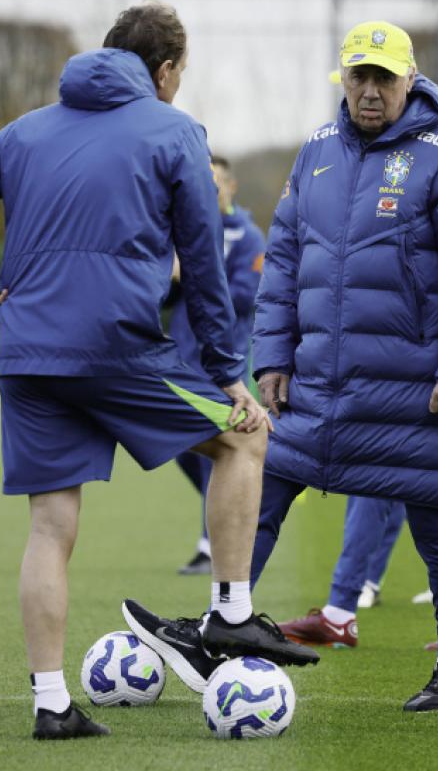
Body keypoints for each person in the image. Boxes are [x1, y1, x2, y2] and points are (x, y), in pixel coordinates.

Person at [0, 1, 316, 742]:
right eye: (180, 73)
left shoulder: (28, 131)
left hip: (28, 354)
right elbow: (203, 260)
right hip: (114, 349)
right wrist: (229, 373)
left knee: (50, 526)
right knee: (244, 438)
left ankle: (51, 705)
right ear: (164, 70)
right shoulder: (175, 131)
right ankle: (230, 616)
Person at [124, 20, 438, 712]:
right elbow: (284, 262)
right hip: (316, 387)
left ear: (409, 80)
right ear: (344, 79)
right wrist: (273, 355)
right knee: (262, 497)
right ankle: (221, 626)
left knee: (436, 526)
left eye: (383, 78)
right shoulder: (317, 150)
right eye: (359, 76)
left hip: (412, 391)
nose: (370, 90)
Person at [280, 175, 438, 653]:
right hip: (392, 354)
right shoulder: (372, 166)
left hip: (431, 356)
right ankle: (343, 608)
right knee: (384, 475)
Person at [169, 156, 267, 576]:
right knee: (181, 449)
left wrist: (192, 276)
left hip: (225, 361)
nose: (209, 190)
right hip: (180, 356)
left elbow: (246, 297)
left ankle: (210, 544)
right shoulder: (183, 228)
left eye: (217, 182)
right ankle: (228, 508)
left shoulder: (248, 235)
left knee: (219, 450)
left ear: (231, 185)